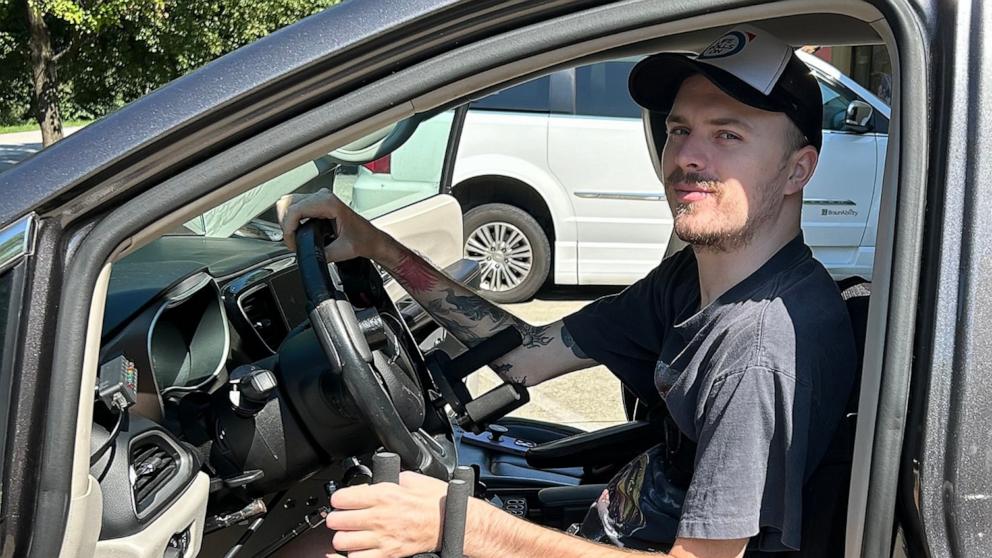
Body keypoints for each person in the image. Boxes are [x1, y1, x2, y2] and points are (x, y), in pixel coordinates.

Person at [277, 24, 857, 558]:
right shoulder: (695, 281)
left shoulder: (758, 351)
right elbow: (522, 354)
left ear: (797, 171)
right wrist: (379, 247)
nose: (686, 156)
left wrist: (458, 524)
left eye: (728, 134)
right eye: (680, 129)